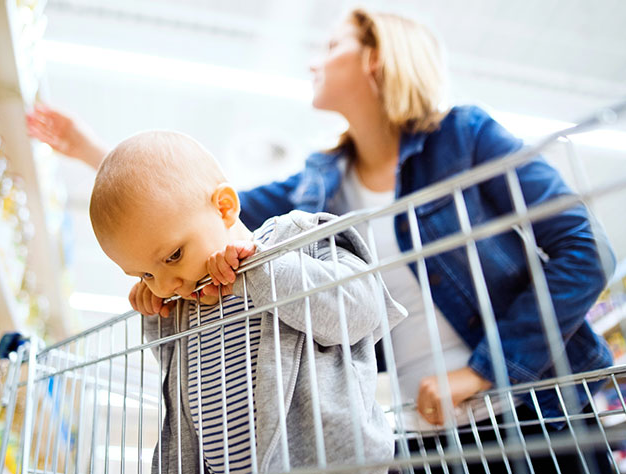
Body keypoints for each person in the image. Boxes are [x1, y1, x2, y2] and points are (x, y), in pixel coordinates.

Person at [30, 8, 615, 472]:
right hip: (420, 427)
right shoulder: (320, 183)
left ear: (379, 59)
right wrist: (95, 153)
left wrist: (488, 370)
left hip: (534, 407)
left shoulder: (464, 138)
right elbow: (193, 209)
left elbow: (585, 251)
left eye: (332, 46)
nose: (315, 62)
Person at [89, 130, 406, 473]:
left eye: (173, 256)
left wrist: (261, 269)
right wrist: (157, 316)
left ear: (224, 208)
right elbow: (178, 373)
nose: (166, 286)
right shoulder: (188, 300)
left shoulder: (296, 238)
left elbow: (360, 312)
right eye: (144, 275)